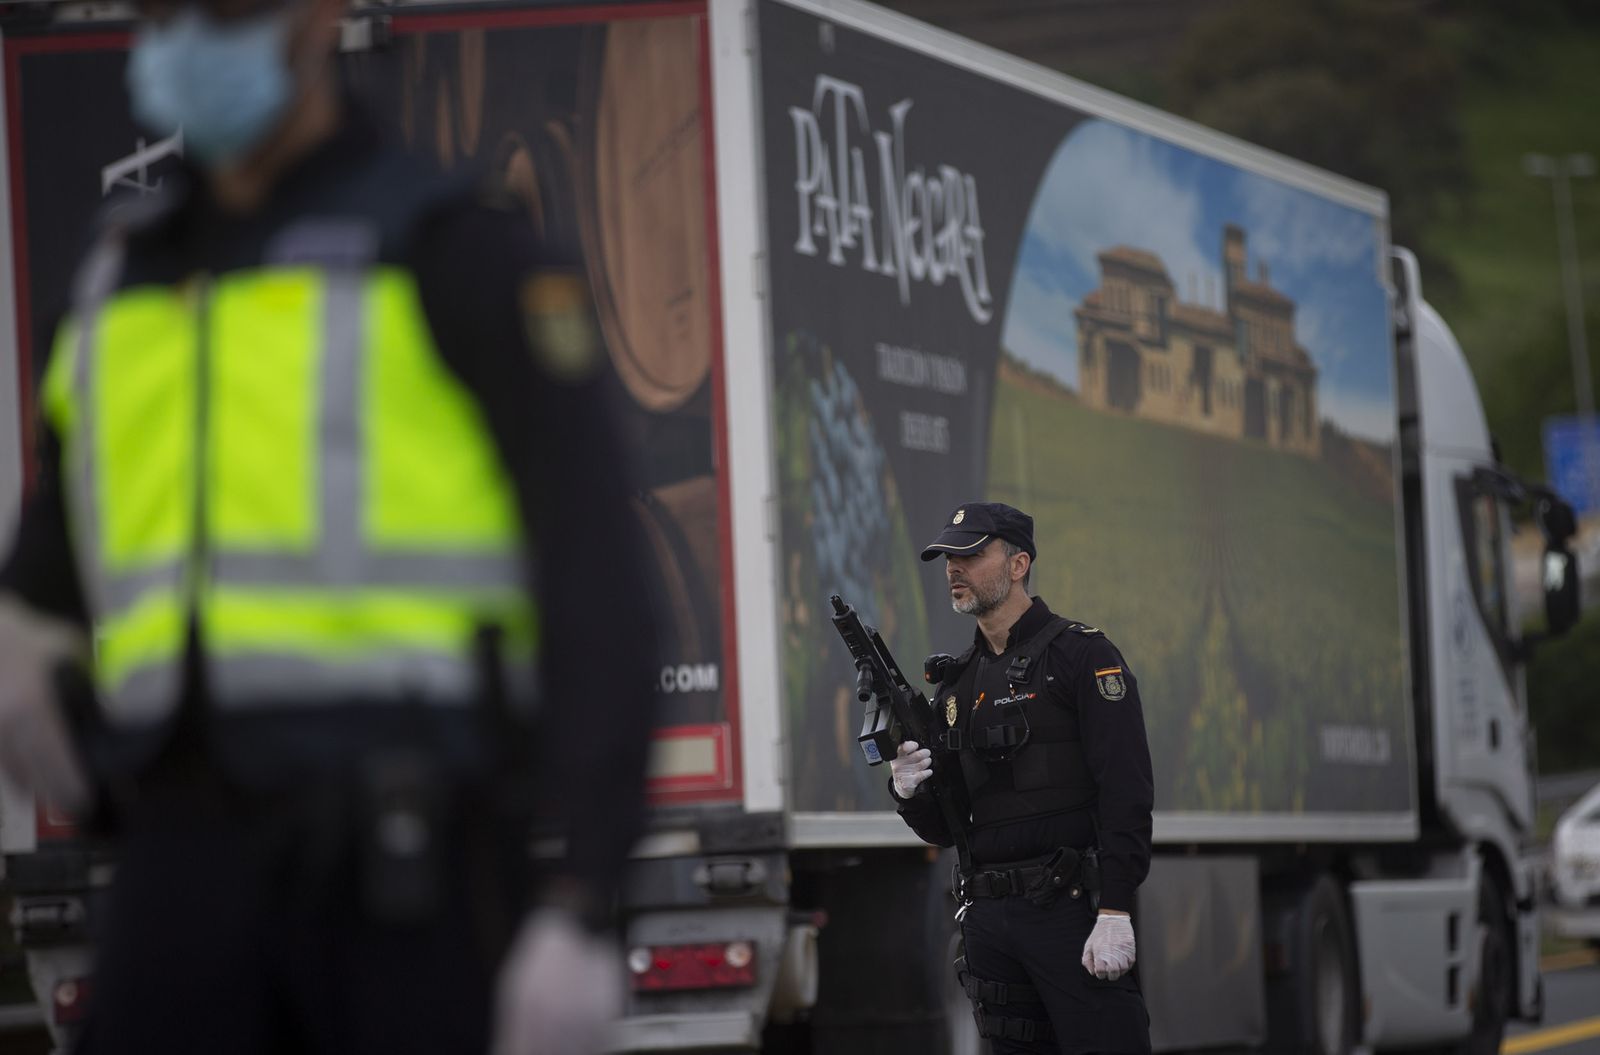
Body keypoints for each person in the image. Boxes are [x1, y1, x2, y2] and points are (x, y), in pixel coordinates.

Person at [0, 0, 658, 1051]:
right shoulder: (116, 282)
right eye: (161, 13)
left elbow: (599, 589)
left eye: (217, 11)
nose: (182, 42)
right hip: (178, 868)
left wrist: (583, 897)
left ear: (312, 21)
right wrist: (19, 633)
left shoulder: (453, 254)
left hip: (404, 879)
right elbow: (52, 559)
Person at [889, 502, 1154, 1054]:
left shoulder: (1082, 656)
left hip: (1070, 911)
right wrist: (908, 791)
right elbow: (948, 827)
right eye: (947, 558)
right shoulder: (957, 685)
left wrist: (1116, 909)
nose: (953, 568)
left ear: (1017, 565)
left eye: (970, 554)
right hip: (990, 922)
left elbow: (1126, 793)